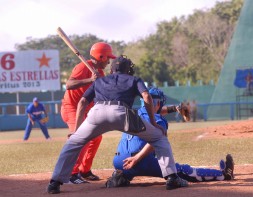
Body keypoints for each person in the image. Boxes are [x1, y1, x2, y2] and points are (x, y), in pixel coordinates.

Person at [47, 55, 188, 194]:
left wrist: (76, 130)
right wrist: (153, 122)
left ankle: (54, 183)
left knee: (73, 143)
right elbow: (146, 96)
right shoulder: (134, 79)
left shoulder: (100, 81)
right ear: (128, 70)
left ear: (111, 70)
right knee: (159, 137)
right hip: (122, 113)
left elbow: (83, 102)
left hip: (97, 113)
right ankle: (172, 177)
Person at [109, 88, 234, 187]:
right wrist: (136, 158)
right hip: (140, 162)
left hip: (119, 162)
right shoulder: (157, 120)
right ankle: (224, 174)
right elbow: (155, 141)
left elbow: (152, 110)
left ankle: (121, 177)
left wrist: (175, 108)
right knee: (181, 170)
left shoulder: (133, 114)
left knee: (130, 160)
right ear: (158, 103)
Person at [60, 42, 116, 184]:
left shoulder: (100, 73)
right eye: (107, 58)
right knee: (81, 138)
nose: (109, 61)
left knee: (96, 137)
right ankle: (71, 174)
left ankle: (84, 170)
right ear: (101, 56)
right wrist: (90, 79)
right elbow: (69, 84)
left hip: (86, 108)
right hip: (71, 107)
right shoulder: (82, 67)